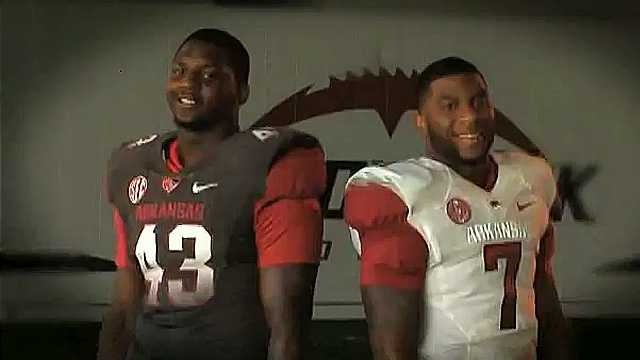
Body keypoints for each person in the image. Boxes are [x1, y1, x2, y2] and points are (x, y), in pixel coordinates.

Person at [97, 28, 326, 360]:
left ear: (241, 91)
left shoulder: (273, 164)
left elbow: (288, 326)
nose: (188, 84)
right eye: (179, 71)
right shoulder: (131, 165)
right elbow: (123, 305)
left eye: (208, 75)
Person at [344, 57, 569, 360]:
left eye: (478, 102)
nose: (469, 117)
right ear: (420, 120)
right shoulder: (402, 193)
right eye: (450, 106)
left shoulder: (531, 176)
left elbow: (545, 299)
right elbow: (391, 345)